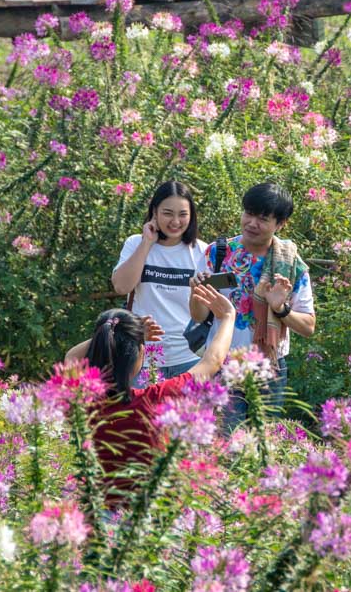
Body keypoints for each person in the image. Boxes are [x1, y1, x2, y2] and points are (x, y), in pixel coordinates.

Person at [64, 284, 234, 506]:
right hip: (147, 517)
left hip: (97, 516)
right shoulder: (158, 398)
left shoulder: (81, 402)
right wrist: (228, 317)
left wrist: (113, 332)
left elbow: (70, 357)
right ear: (141, 354)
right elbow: (212, 361)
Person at [189, 182, 315, 429]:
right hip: (222, 364)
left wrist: (281, 309)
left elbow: (308, 326)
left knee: (262, 444)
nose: (252, 223)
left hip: (269, 369)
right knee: (224, 442)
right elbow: (197, 315)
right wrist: (196, 293)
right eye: (248, 213)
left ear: (281, 224)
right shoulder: (218, 253)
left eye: (263, 218)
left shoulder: (291, 264)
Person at [112, 181, 208, 385]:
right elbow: (121, 286)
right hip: (142, 358)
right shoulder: (136, 243)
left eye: (183, 214)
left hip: (188, 358)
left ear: (191, 216)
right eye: (167, 213)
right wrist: (147, 242)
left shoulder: (202, 251)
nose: (175, 221)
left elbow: (205, 312)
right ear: (154, 212)